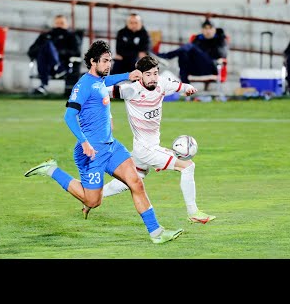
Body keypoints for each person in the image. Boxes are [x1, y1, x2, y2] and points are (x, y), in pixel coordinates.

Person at [24, 40, 183, 244]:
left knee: (136, 182)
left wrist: (127, 75)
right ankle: (52, 170)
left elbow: (105, 83)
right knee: (93, 201)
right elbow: (69, 116)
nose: (109, 65)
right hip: (91, 152)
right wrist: (84, 142)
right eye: (105, 61)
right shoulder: (83, 85)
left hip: (111, 146)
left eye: (110, 61)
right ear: (93, 61)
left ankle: (157, 233)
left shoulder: (98, 80)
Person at [82, 55, 216, 225]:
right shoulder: (131, 90)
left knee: (132, 179)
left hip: (142, 148)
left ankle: (89, 198)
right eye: (148, 74)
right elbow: (101, 90)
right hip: (147, 149)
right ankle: (193, 212)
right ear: (139, 75)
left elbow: (179, 86)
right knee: (188, 166)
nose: (153, 78)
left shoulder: (161, 83)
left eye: (155, 73)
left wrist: (188, 88)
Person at [157, 19, 228, 83]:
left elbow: (222, 54)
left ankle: (166, 56)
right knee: (183, 53)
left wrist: (210, 43)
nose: (208, 31)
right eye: (205, 28)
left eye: (210, 28)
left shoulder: (220, 39)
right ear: (202, 30)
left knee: (191, 46)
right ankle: (186, 87)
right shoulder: (198, 39)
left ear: (214, 29)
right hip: (197, 67)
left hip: (211, 67)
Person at [27, 15, 82, 95]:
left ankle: (43, 84)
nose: (59, 25)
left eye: (62, 23)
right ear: (53, 24)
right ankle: (56, 69)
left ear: (67, 25)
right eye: (57, 23)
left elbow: (76, 52)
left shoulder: (71, 37)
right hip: (46, 67)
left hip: (64, 66)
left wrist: (58, 52)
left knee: (47, 45)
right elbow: (31, 51)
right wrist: (44, 51)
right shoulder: (45, 36)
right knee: (44, 48)